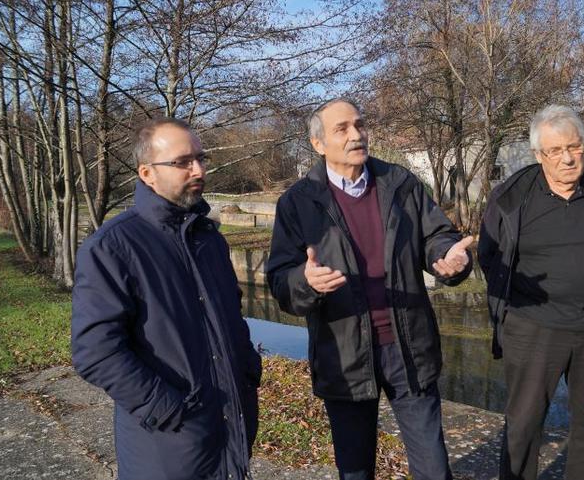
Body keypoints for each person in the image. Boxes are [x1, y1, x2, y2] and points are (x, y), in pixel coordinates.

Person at [266, 98, 473, 480]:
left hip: (409, 346)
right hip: (343, 353)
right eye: (342, 129)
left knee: (433, 466)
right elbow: (280, 279)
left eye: (359, 125)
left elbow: (437, 237)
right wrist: (304, 281)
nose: (356, 135)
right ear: (318, 144)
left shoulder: (400, 183)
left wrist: (448, 258)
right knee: (355, 468)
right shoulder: (297, 203)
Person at [71, 118, 262, 480]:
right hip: (167, 444)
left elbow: (231, 317)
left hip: (229, 429)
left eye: (201, 158)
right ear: (147, 173)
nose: (198, 169)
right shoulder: (112, 247)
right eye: (182, 162)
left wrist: (248, 370)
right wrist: (165, 408)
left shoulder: (210, 240)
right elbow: (95, 351)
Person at [478, 105, 584, 480]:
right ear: (538, 155)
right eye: (555, 150)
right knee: (522, 426)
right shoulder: (512, 197)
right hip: (534, 330)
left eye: (575, 146)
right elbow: (489, 257)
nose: (567, 158)